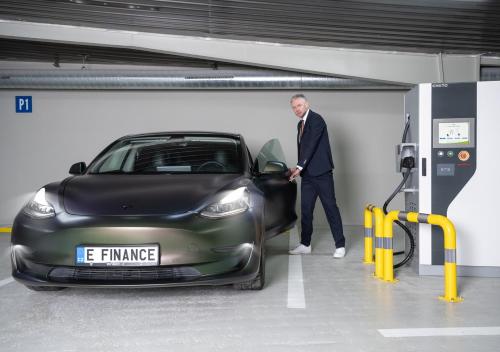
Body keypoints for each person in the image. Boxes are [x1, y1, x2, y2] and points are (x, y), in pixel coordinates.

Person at [288, 94, 346, 258]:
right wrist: (299, 167)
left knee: (330, 208)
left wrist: (300, 166)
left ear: (307, 104)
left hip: (322, 173)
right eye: (294, 107)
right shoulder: (300, 124)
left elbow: (312, 145)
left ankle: (340, 245)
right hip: (307, 175)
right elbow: (303, 149)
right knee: (306, 210)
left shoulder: (316, 120)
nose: (296, 109)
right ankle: (305, 244)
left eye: (299, 105)